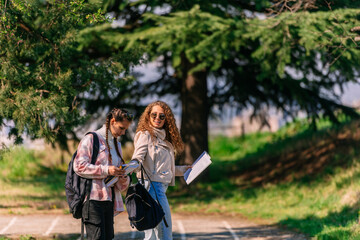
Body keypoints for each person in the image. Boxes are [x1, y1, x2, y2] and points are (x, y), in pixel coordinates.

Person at [130, 101, 191, 240]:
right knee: (164, 232)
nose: (157, 118)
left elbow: (163, 169)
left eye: (162, 116)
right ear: (148, 117)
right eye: (154, 115)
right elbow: (137, 158)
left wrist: (184, 170)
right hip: (152, 187)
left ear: (166, 119)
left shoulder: (163, 139)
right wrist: (129, 167)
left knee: (153, 234)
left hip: (160, 187)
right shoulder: (145, 135)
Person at [73, 108, 134, 240]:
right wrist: (107, 170)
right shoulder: (91, 138)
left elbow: (119, 183)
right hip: (92, 200)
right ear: (112, 121)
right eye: (121, 128)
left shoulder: (117, 144)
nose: (123, 133)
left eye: (125, 129)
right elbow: (79, 166)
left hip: (109, 200)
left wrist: (123, 177)